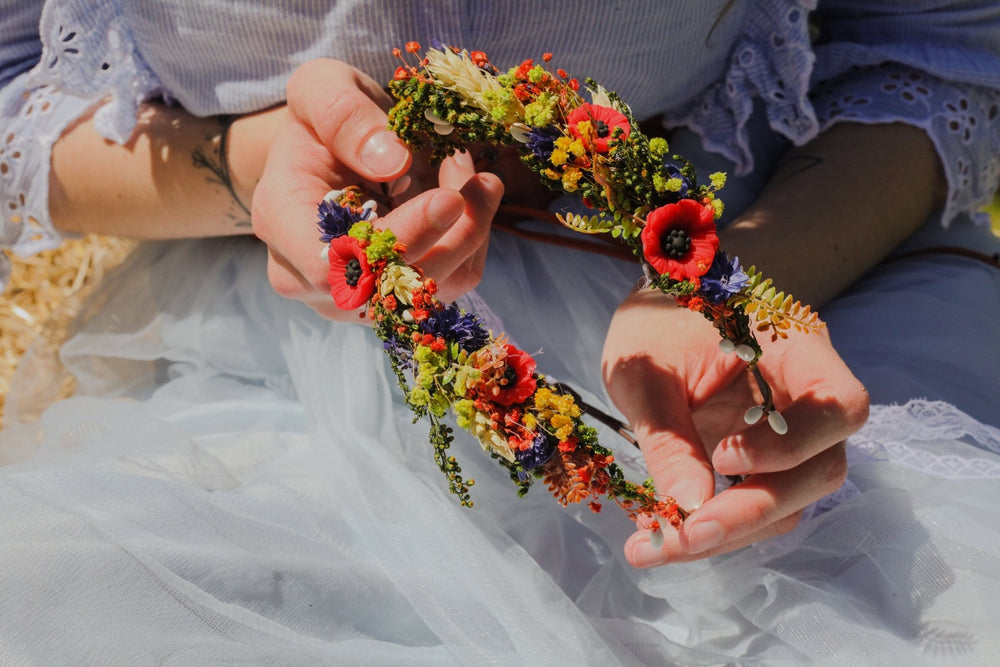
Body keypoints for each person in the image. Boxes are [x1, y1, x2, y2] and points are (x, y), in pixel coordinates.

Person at [1, 1, 998, 663]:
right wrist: (246, 165)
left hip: (753, 250)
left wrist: (733, 290)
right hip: (266, 342)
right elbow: (17, 88)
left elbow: (936, 49)